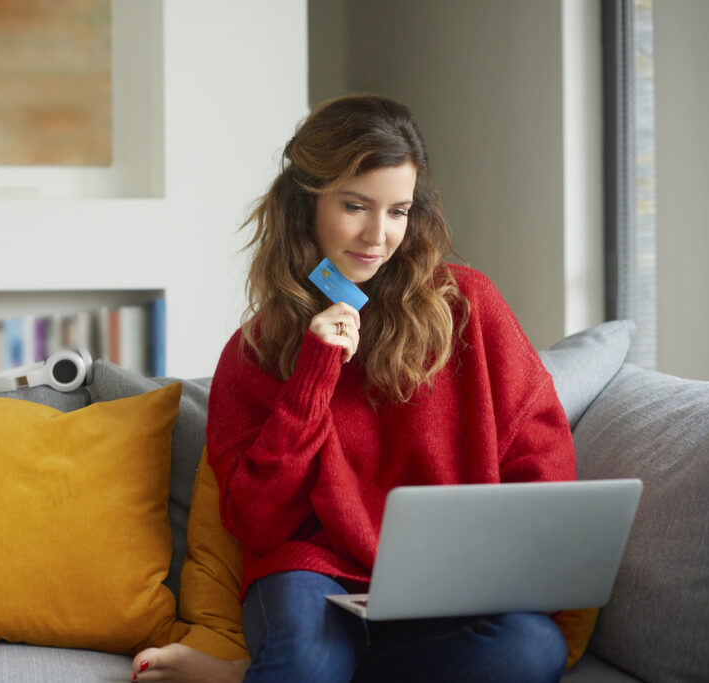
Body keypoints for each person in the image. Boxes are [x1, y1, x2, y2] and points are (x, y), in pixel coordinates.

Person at [130, 94, 575, 683]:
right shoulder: (253, 352)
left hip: (443, 583)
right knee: (308, 666)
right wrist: (314, 372)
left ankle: (246, 677)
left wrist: (511, 567)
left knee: (531, 649)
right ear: (306, 203)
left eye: (398, 211)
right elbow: (258, 523)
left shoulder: (468, 306)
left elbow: (538, 453)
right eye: (356, 206)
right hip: (312, 572)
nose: (378, 235)